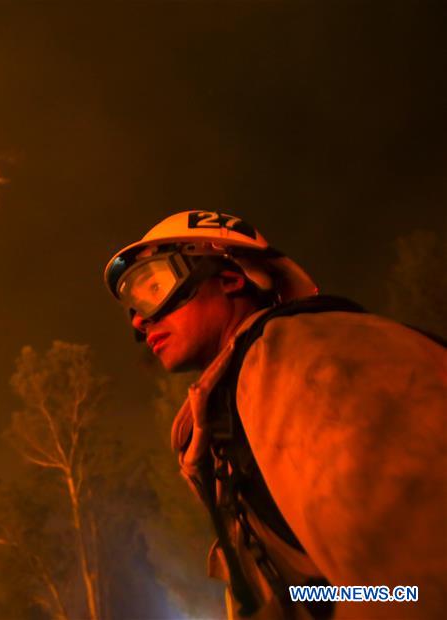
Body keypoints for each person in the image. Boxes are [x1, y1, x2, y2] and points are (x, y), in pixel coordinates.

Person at [103, 211, 446, 620]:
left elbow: (411, 585)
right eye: (131, 308)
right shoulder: (236, 408)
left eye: (153, 287)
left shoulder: (306, 353)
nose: (140, 321)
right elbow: (333, 590)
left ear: (229, 278)